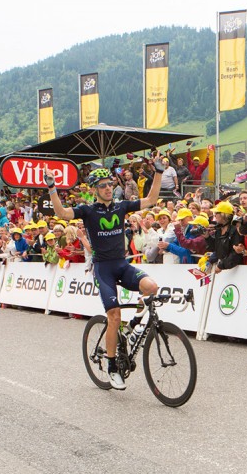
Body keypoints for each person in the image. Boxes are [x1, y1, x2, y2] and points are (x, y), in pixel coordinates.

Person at [44, 167, 160, 390]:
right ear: (95, 190)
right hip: (103, 269)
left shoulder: (122, 206)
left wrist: (158, 171)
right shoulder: (88, 210)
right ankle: (112, 365)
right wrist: (52, 187)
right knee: (114, 316)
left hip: (122, 264)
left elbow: (153, 198)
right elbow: (61, 214)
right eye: (103, 186)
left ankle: (134, 327)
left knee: (152, 288)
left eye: (110, 185)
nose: (108, 188)